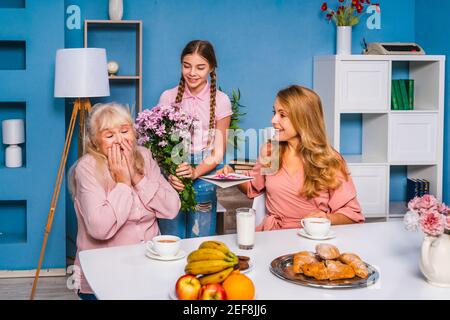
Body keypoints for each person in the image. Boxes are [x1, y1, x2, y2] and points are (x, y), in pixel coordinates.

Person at [69, 103, 180, 299]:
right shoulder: (86, 168)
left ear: (134, 133)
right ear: (95, 142)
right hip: (104, 274)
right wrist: (123, 183)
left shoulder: (144, 156)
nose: (120, 140)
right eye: (109, 135)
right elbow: (99, 229)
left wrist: (137, 177)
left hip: (148, 269)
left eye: (124, 131)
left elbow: (171, 208)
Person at [217, 85, 364, 231]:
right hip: (274, 235)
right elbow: (252, 187)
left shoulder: (329, 159)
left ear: (303, 119)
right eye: (274, 112)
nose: (273, 120)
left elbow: (352, 215)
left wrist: (328, 218)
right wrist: (232, 175)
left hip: (312, 237)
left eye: (282, 115)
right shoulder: (271, 151)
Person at [157, 40, 232, 238]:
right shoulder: (167, 97)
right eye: (186, 66)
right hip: (174, 173)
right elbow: (159, 145)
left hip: (205, 174)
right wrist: (171, 173)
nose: (192, 73)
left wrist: (195, 171)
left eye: (201, 67)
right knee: (171, 236)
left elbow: (218, 152)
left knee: (201, 238)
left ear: (211, 68)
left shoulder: (221, 101)